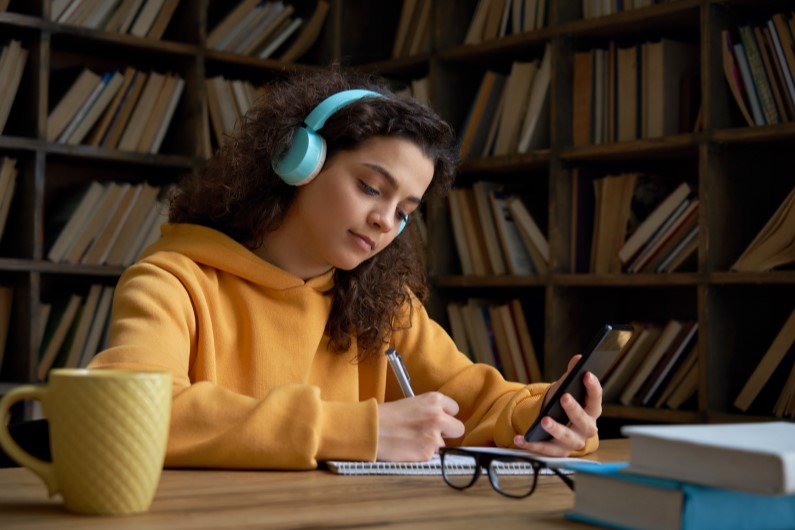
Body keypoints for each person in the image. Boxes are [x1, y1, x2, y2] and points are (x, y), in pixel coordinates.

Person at [87, 67, 601, 469]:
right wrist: (359, 431)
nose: (384, 221)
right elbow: (128, 414)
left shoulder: (384, 306)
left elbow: (480, 400)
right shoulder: (172, 283)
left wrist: (549, 418)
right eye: (371, 188)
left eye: (404, 212)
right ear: (300, 161)